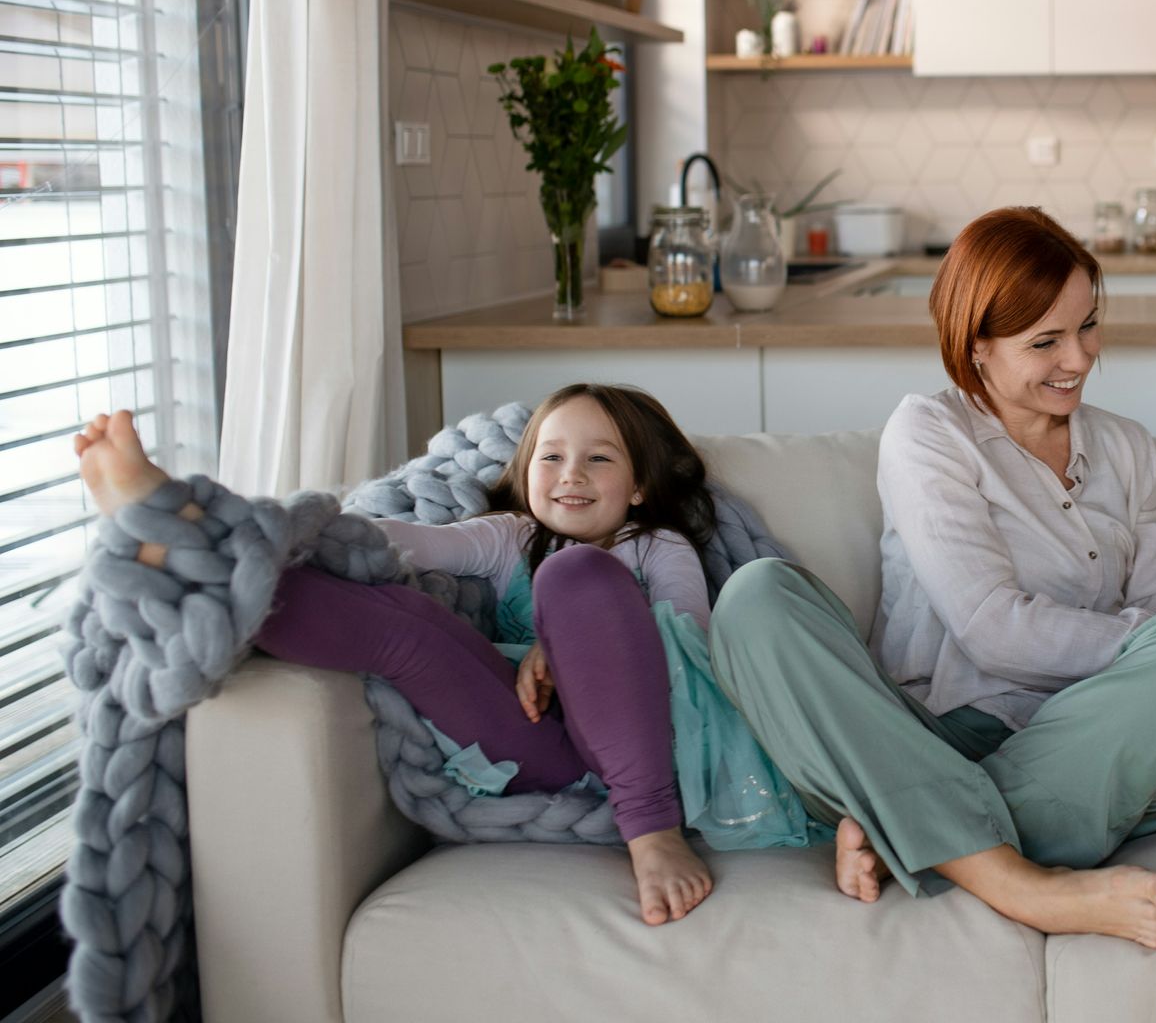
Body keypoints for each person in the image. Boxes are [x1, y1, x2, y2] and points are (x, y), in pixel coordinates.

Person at [708, 206, 1156, 949]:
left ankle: (909, 828)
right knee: (756, 597)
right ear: (976, 348)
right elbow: (994, 631)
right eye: (1045, 342)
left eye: (1088, 327)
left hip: (1082, 743)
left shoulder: (1128, 449)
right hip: (928, 735)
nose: (1079, 358)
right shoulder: (929, 434)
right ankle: (1022, 883)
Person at [74, 383, 768, 927]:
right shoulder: (509, 537)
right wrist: (280, 531)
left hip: (639, 750)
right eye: (551, 456)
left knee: (576, 574)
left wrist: (565, 641)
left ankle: (653, 833)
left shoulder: (657, 546)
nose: (570, 474)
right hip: (533, 739)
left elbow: (688, 654)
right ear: (526, 472)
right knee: (402, 621)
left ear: (640, 485)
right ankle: (194, 547)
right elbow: (395, 541)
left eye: (600, 457)